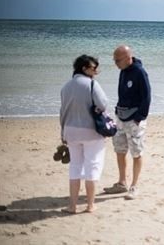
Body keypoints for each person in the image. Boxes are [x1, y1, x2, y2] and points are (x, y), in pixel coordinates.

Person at [60, 55, 108, 213]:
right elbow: (103, 104)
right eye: (94, 68)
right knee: (92, 166)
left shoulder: (66, 86)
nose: (96, 71)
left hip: (70, 131)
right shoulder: (92, 84)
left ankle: (72, 206)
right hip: (90, 131)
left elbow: (63, 112)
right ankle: (90, 204)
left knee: (74, 167)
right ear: (84, 68)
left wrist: (63, 133)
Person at [103, 45, 151, 200]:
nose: (115, 63)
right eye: (114, 60)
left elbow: (147, 96)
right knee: (119, 150)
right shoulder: (123, 71)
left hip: (135, 120)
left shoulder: (140, 72)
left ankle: (134, 186)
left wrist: (139, 118)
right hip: (121, 117)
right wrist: (118, 111)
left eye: (117, 60)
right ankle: (122, 182)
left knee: (136, 152)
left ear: (128, 57)